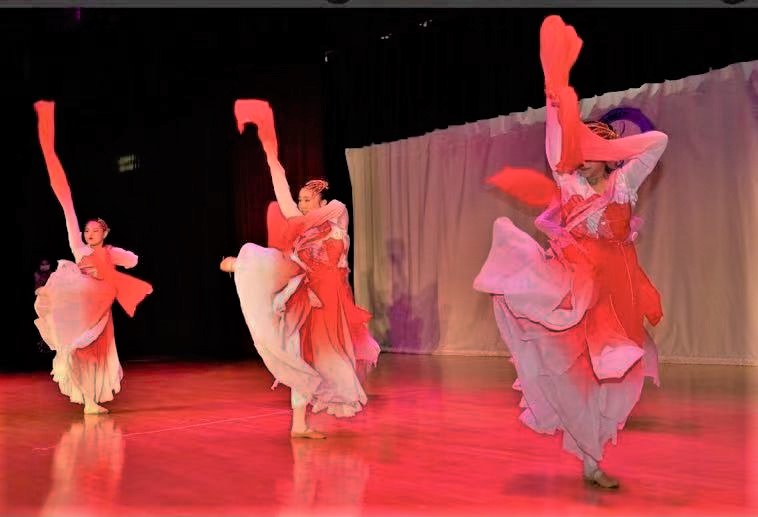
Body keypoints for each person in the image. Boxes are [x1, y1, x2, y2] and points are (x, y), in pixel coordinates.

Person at [474, 15, 669, 488]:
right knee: (577, 373)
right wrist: (556, 98)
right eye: (581, 150)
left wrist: (610, 148)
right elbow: (555, 145)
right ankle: (590, 461)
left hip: (617, 289)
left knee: (614, 378)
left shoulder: (623, 183)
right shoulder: (569, 183)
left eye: (590, 150)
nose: (582, 158)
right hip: (578, 287)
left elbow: (657, 142)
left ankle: (591, 455)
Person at [221, 99, 380, 439]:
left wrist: (302, 218)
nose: (301, 204)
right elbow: (281, 188)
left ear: (321, 200)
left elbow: (324, 218)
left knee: (329, 357)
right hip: (306, 297)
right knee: (299, 356)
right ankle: (298, 425)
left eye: (307, 199)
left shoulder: (336, 214)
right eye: (300, 200)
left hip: (331, 298)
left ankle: (310, 416)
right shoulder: (302, 226)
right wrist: (270, 152)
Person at [33, 100, 153, 414]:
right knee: (78, 351)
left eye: (94, 231)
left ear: (104, 232)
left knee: (97, 354)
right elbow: (66, 205)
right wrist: (51, 157)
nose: (88, 234)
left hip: (101, 312)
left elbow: (134, 260)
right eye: (86, 230)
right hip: (81, 309)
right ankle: (88, 400)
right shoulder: (79, 249)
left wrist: (113, 263)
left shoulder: (110, 252)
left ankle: (90, 401)